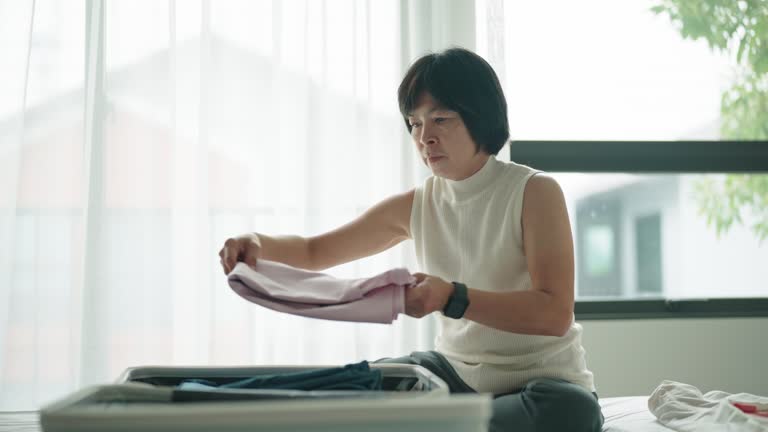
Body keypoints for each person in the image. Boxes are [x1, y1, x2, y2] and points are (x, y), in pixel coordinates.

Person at [219, 47, 603, 432]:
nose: (425, 137)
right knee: (350, 386)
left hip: (542, 386)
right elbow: (314, 251)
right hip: (451, 375)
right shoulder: (416, 205)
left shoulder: (533, 191)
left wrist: (451, 296)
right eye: (415, 123)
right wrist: (256, 242)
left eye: (440, 119)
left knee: (572, 412)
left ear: (479, 118)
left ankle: (438, 422)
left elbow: (553, 314)